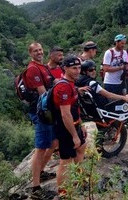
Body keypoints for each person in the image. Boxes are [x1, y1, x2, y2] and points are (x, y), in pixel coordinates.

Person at [23, 42, 58, 199]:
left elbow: (52, 84)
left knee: (54, 142)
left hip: (47, 110)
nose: (39, 52)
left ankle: (41, 172)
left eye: (40, 50)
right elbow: (43, 93)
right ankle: (35, 188)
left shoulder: (43, 67)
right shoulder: (32, 69)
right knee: (41, 148)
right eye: (35, 51)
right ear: (30, 53)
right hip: (41, 112)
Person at [52, 55, 88, 198]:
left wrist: (81, 125)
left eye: (79, 68)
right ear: (65, 68)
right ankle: (64, 193)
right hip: (65, 128)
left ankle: (78, 179)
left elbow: (74, 108)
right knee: (65, 160)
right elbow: (65, 115)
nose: (77, 71)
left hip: (74, 124)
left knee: (82, 147)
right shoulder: (63, 87)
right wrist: (74, 136)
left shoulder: (71, 84)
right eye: (74, 68)